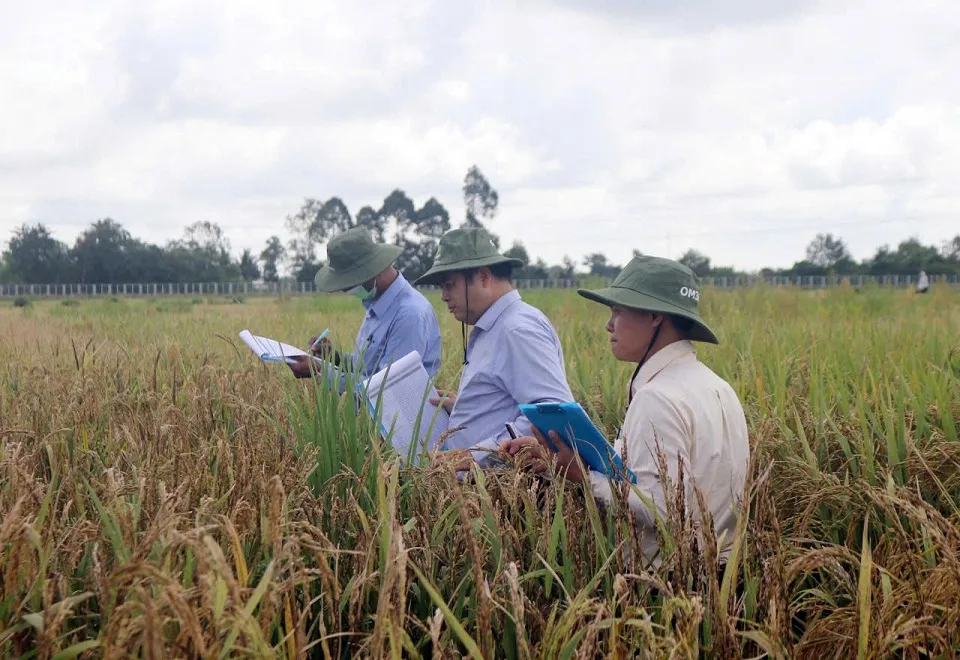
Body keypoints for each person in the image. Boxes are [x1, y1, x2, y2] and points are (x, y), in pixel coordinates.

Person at [501, 255, 750, 567]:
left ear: (656, 316)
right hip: (724, 575)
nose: (609, 324)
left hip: (668, 586)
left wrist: (581, 475)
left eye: (618, 311)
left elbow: (661, 508)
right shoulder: (719, 387)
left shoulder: (657, 397)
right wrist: (562, 455)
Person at [413, 227, 574, 468]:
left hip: (504, 493)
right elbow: (507, 402)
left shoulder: (516, 330)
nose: (444, 296)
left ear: (484, 278)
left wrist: (471, 455)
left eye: (449, 285)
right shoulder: (493, 326)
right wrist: (464, 407)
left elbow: (551, 415)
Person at [288, 227, 442, 383]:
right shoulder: (376, 303)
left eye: (350, 283)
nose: (347, 289)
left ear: (375, 271)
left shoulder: (409, 316)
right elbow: (365, 369)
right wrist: (333, 358)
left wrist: (320, 371)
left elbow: (388, 392)